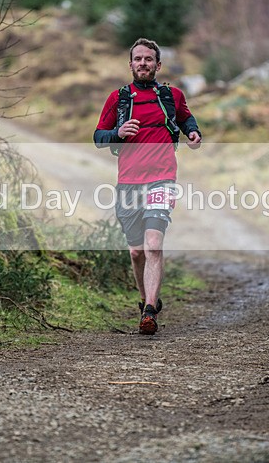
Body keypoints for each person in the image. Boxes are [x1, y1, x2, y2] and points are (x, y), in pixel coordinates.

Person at [93, 38, 202, 335]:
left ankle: (150, 311)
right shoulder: (119, 98)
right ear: (130, 64)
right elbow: (98, 136)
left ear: (158, 65)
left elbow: (186, 118)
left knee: (153, 244)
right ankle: (145, 300)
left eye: (148, 59)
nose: (143, 63)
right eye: (138, 59)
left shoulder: (171, 95)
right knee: (136, 252)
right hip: (128, 183)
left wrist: (193, 133)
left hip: (162, 178)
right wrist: (118, 132)